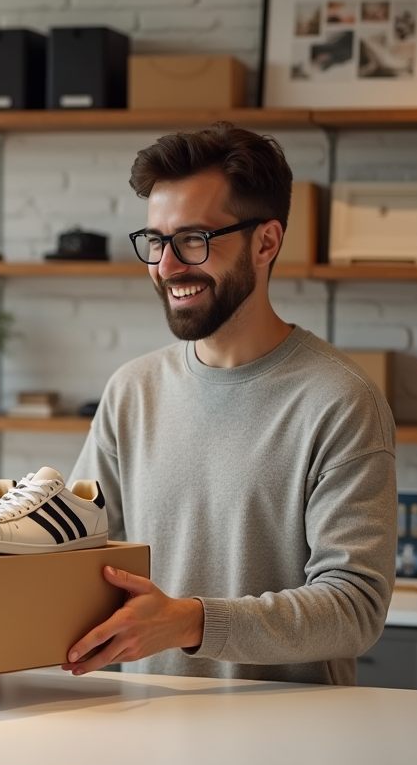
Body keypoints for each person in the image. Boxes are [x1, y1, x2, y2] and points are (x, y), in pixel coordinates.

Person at [65, 122, 397, 685]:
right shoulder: (131, 391)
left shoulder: (341, 401)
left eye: (194, 239)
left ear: (265, 242)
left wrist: (191, 622)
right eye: (156, 241)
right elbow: (78, 561)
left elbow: (355, 607)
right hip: (143, 724)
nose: (167, 266)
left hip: (290, 734)